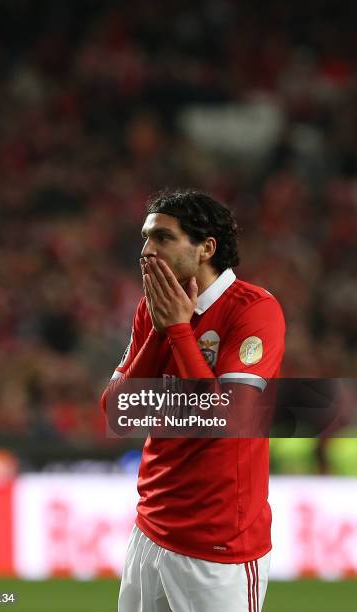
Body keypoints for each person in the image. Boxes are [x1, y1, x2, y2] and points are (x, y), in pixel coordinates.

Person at [100, 189, 285, 612]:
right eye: (146, 238)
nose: (146, 251)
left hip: (218, 548)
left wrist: (180, 332)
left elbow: (229, 418)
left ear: (206, 248)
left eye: (163, 238)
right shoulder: (154, 309)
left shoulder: (254, 310)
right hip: (150, 531)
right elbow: (116, 413)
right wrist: (162, 329)